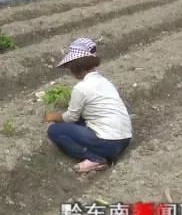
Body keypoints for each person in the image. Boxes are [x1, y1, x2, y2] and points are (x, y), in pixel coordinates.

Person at [44, 38, 133, 173]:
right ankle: (103, 155)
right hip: (124, 140)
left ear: (75, 66)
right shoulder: (105, 82)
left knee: (55, 130)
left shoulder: (81, 88)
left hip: (107, 142)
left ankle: (94, 158)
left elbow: (70, 118)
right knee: (82, 120)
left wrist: (54, 116)